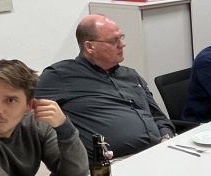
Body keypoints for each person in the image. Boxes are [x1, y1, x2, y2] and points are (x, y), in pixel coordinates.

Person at [36, 14, 174, 158]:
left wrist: (166, 137)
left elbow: (159, 117)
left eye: (121, 37)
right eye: (114, 40)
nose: (122, 44)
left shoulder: (131, 75)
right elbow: (27, 110)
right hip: (113, 162)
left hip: (160, 151)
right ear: (90, 47)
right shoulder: (60, 75)